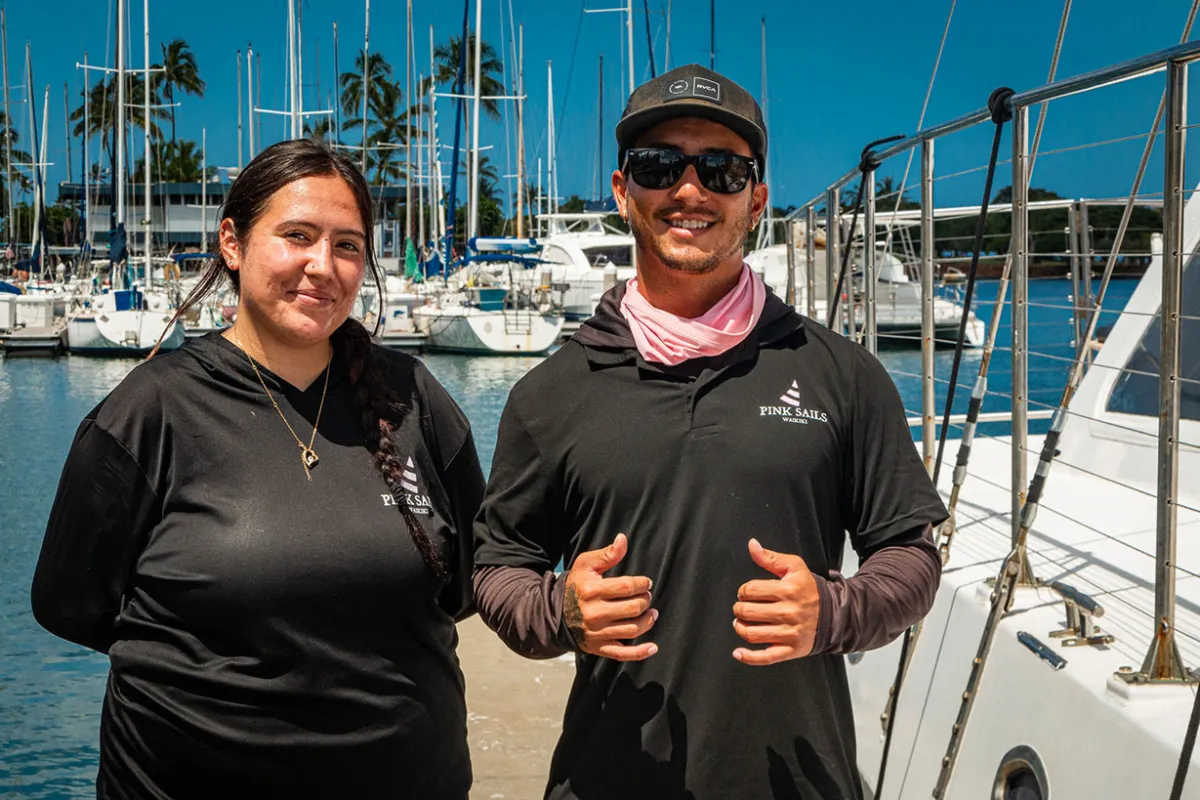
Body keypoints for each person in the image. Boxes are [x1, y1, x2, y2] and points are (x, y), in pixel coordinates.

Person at [473, 64, 947, 799]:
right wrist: (559, 609)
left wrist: (835, 611)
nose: (689, 191)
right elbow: (496, 567)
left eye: (721, 170)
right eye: (661, 166)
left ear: (756, 200)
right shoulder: (550, 393)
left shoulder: (841, 374)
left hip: (800, 781)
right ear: (623, 189)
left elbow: (910, 555)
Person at [31, 139, 484, 798]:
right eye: (295, 236)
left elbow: (471, 581)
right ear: (233, 244)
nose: (322, 266)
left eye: (348, 245)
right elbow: (69, 605)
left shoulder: (415, 401)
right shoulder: (150, 411)